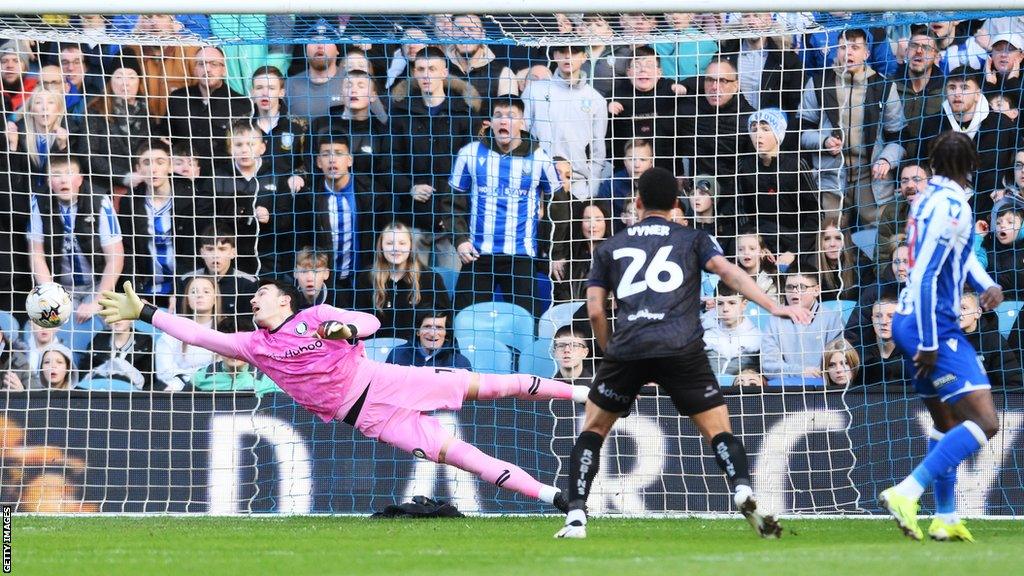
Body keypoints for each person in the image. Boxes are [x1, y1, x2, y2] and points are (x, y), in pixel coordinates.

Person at [99, 277, 592, 512]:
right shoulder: (252, 345)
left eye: (261, 292)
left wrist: (344, 328)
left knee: (491, 385)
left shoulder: (314, 318)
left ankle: (583, 392)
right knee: (463, 457)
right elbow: (198, 336)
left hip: (385, 381)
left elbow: (371, 321)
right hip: (371, 419)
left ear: (284, 299)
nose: (252, 299)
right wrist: (143, 312)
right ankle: (555, 496)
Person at [555, 166, 811, 539]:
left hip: (628, 348)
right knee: (718, 430)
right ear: (676, 203)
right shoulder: (694, 238)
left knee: (593, 430)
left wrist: (611, 352)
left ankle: (576, 517)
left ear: (638, 202)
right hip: (681, 347)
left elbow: (595, 310)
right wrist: (774, 307)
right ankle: (741, 487)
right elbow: (729, 273)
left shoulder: (610, 246)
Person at [882, 130, 1006, 543]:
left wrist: (987, 282)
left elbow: (960, 254)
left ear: (934, 164)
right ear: (971, 165)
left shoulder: (925, 199)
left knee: (946, 423)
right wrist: (932, 342)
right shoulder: (954, 207)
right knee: (986, 422)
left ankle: (946, 517)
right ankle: (907, 491)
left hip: (909, 319)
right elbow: (930, 275)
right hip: (931, 322)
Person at [450, 97, 559, 317]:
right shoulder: (470, 153)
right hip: (477, 255)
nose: (504, 121)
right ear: (490, 122)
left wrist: (556, 250)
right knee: (462, 320)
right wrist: (460, 240)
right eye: (498, 115)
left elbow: (558, 203)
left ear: (522, 123)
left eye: (511, 116)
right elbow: (452, 203)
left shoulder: (539, 158)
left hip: (520, 256)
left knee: (527, 323)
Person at [27, 156, 125, 324]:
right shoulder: (39, 201)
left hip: (96, 285)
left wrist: (96, 302)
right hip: (60, 286)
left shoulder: (99, 201)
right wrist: (52, 296)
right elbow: (36, 255)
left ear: (80, 179)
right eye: (56, 175)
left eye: (69, 173)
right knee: (43, 325)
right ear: (49, 182)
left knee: (108, 322)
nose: (64, 180)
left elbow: (115, 257)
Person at [354, 222, 451, 342]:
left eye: (402, 243)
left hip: (415, 351)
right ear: (381, 247)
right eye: (389, 243)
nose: (396, 248)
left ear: (411, 246)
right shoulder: (366, 278)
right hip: (375, 349)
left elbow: (445, 319)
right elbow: (357, 321)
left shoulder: (430, 278)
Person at [760, 262, 845, 380]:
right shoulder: (774, 320)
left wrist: (816, 374)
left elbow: (839, 361)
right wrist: (800, 372)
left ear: (817, 290)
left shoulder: (832, 318)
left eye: (802, 287)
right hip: (788, 388)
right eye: (790, 287)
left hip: (824, 386)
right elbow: (769, 366)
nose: (795, 292)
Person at [154, 275, 221, 391]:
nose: (200, 295)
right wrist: (185, 380)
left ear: (215, 299)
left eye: (206, 291)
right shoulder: (172, 330)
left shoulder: (227, 329)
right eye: (194, 292)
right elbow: (163, 371)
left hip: (216, 387)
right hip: (179, 389)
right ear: (187, 300)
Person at [958, 290, 1022, 389]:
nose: (957, 313)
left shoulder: (993, 340)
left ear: (978, 313)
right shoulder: (943, 340)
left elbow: (1015, 383)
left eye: (963, 308)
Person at [703, 282, 762, 377]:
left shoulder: (758, 338)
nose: (725, 309)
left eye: (732, 303)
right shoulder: (704, 335)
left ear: (744, 304)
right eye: (720, 303)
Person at [83, 316, 154, 390]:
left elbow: (148, 381)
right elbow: (84, 372)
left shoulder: (145, 342)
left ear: (132, 317)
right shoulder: (99, 338)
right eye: (112, 314)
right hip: (99, 393)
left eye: (122, 313)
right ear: (105, 318)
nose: (117, 319)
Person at [385, 312, 471, 370]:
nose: (432, 333)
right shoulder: (397, 354)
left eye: (439, 328)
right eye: (427, 327)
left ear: (446, 333)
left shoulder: (460, 363)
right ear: (417, 331)